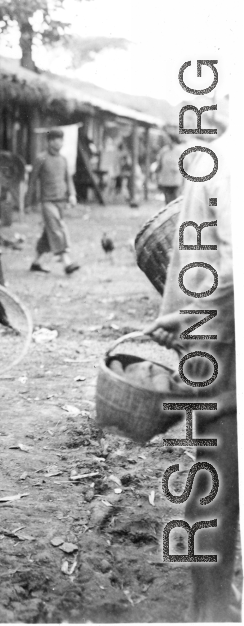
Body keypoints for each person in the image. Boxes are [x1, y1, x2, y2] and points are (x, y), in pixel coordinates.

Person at [143, 131, 238, 621]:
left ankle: (211, 608)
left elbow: (195, 266)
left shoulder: (217, 159)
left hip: (220, 328)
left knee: (216, 473)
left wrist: (183, 318)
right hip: (221, 326)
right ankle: (212, 606)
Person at [26, 129, 80, 275]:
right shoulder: (41, 158)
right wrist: (28, 201)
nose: (59, 143)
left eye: (61, 140)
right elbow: (32, 181)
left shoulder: (63, 160)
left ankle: (36, 262)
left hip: (60, 201)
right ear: (49, 141)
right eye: (56, 139)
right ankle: (66, 261)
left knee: (48, 233)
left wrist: (72, 194)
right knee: (57, 229)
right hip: (46, 201)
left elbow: (68, 179)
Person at [155, 133, 182, 205]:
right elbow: (159, 163)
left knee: (175, 199)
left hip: (175, 180)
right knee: (167, 200)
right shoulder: (164, 151)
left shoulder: (179, 151)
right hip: (165, 179)